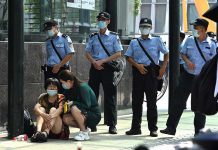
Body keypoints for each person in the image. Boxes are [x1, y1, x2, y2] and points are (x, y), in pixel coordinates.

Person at [160, 18, 217, 136]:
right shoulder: (190, 40)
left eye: (196, 28)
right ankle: (170, 128)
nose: (194, 30)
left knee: (200, 106)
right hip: (187, 76)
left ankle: (199, 132)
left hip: (202, 78)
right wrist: (187, 61)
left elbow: (214, 62)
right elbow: (182, 53)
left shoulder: (212, 44)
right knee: (178, 102)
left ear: (203, 29)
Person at [124, 18, 169, 137]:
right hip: (138, 72)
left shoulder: (157, 40)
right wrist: (137, 65)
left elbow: (166, 53)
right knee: (136, 102)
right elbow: (128, 57)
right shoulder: (134, 42)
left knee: (151, 102)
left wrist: (163, 68)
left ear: (151, 28)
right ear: (139, 28)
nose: (145, 28)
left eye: (147, 26)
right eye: (143, 26)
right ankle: (135, 128)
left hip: (151, 73)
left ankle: (153, 128)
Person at [85, 12, 123, 134]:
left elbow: (118, 53)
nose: (101, 21)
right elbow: (87, 52)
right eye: (99, 19)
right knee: (92, 96)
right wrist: (94, 62)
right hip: (95, 68)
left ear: (108, 22)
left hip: (108, 69)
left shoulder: (113, 36)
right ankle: (92, 123)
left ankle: (112, 124)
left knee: (110, 97)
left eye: (103, 19)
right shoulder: (93, 36)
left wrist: (103, 61)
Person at [58, 70, 101, 141]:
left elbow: (87, 105)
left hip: (93, 115)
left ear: (68, 81)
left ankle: (83, 132)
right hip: (83, 113)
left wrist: (73, 103)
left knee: (74, 108)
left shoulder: (83, 87)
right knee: (66, 119)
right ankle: (86, 129)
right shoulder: (69, 89)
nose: (63, 85)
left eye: (63, 83)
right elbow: (64, 97)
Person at [31, 78, 69, 142]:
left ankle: (46, 132)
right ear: (46, 88)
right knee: (41, 109)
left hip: (57, 129)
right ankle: (38, 132)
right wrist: (43, 114)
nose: (52, 88)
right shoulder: (43, 97)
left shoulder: (61, 97)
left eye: (54, 87)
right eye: (50, 86)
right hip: (45, 125)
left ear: (57, 88)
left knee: (53, 110)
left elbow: (60, 110)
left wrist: (49, 117)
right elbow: (36, 108)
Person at [42, 20, 75, 89]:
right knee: (50, 91)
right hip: (49, 70)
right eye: (47, 30)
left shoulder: (64, 38)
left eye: (49, 29)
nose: (48, 31)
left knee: (62, 91)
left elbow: (70, 54)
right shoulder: (48, 41)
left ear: (55, 27)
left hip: (61, 70)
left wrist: (59, 65)